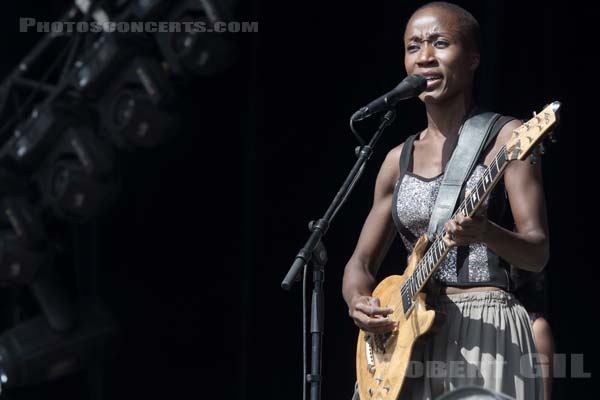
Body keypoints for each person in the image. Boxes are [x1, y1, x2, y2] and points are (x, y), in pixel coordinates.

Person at [342, 2, 549, 399]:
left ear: (472, 58)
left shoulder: (508, 138)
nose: (425, 57)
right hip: (405, 338)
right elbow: (360, 264)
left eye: (441, 43)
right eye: (413, 46)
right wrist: (357, 301)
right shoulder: (394, 160)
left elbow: (537, 253)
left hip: (484, 324)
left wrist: (487, 232)